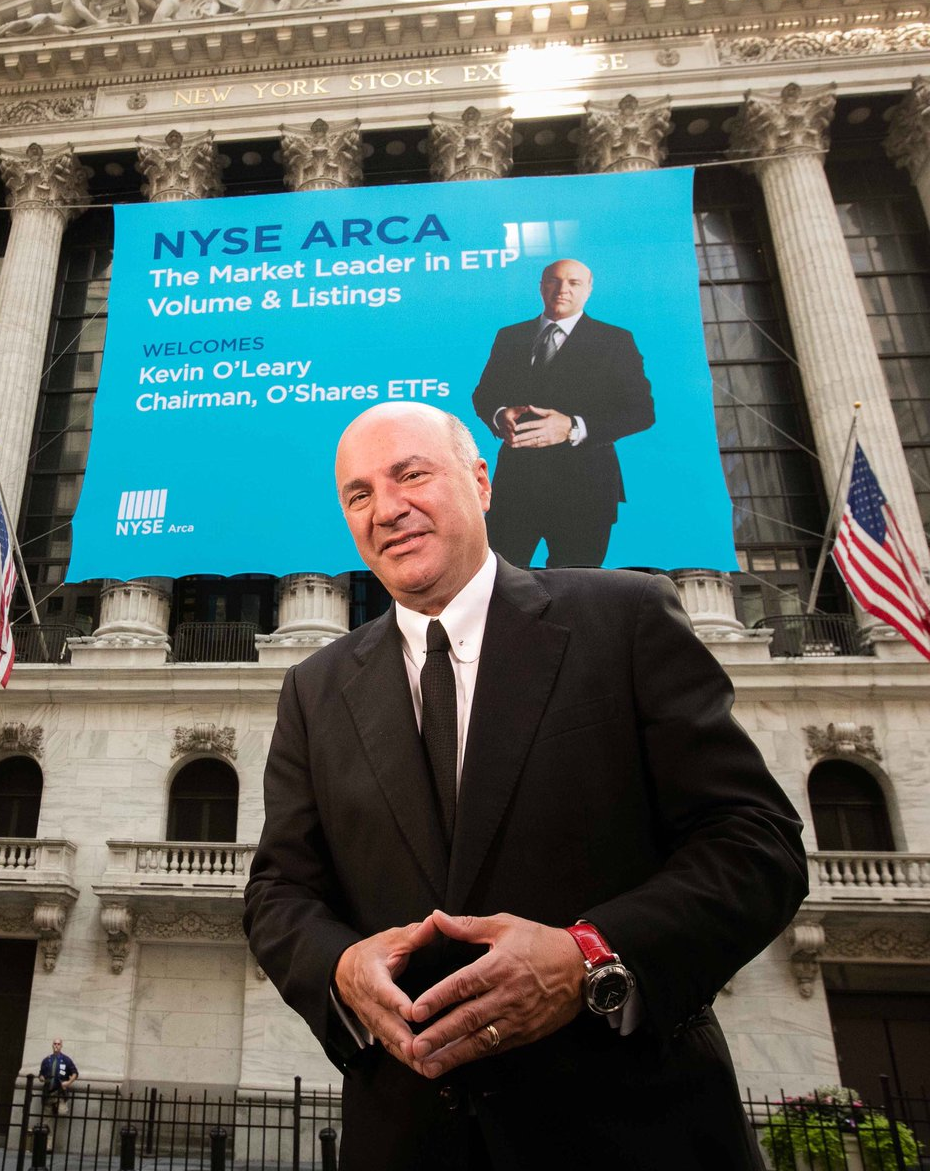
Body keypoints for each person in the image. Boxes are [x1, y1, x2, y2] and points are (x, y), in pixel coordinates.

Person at [243, 402, 807, 1170]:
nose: (388, 509)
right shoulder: (314, 689)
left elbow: (756, 843)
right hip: (409, 1141)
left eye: (411, 475)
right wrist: (340, 971)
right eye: (360, 494)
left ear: (481, 481)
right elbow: (279, 892)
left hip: (630, 1136)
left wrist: (589, 958)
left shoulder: (625, 618)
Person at [472, 258, 655, 568]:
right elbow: (484, 394)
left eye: (574, 282)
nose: (562, 289)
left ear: (589, 290)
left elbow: (641, 410)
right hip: (516, 486)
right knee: (499, 581)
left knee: (575, 587)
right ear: (541, 287)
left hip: (586, 490)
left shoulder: (614, 339)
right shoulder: (510, 336)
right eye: (554, 281)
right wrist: (499, 415)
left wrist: (572, 427)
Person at [39, 1038, 78, 1122]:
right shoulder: (46, 1060)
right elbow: (41, 1073)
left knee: (62, 1112)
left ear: (61, 1046)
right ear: (52, 1045)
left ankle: (56, 1107)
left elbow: (75, 1073)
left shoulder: (66, 1060)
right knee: (46, 1117)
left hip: (60, 1092)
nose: (56, 1046)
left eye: (58, 1044)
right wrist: (41, 1077)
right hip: (48, 1092)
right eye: (55, 1044)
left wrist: (68, 1082)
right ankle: (48, 1130)